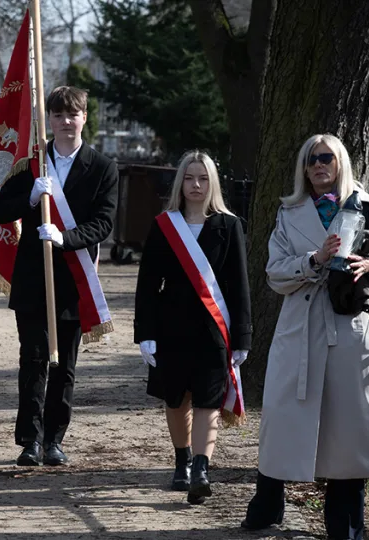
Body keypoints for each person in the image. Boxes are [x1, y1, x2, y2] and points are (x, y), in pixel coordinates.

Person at [240, 134, 369, 539]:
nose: (318, 166)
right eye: (311, 160)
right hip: (299, 324)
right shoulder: (290, 211)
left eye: (326, 159)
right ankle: (267, 505)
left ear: (341, 164)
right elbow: (275, 273)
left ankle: (346, 523)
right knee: (283, 420)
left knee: (348, 428)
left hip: (347, 328)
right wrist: (313, 260)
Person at [0, 86, 118, 467]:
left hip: (73, 279)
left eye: (73, 114)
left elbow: (104, 222)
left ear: (84, 118)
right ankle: (30, 440)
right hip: (33, 278)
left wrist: (66, 238)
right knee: (32, 360)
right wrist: (30, 197)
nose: (66, 121)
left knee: (64, 365)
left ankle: (54, 441)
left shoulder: (102, 168)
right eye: (58, 115)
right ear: (49, 120)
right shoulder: (32, 165)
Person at [133, 151, 251, 505]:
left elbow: (239, 285)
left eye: (203, 178)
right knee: (176, 399)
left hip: (214, 330)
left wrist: (242, 336)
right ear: (180, 183)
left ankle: (201, 468)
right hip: (171, 328)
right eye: (189, 178)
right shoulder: (163, 225)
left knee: (208, 401)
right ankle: (182, 459)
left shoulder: (229, 226)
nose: (196, 185)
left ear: (212, 183)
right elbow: (148, 284)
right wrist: (145, 333)